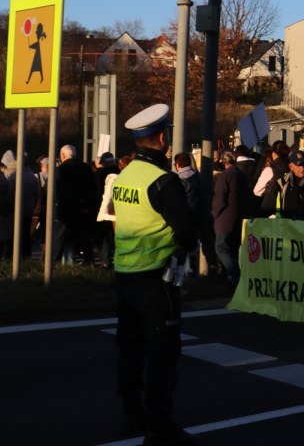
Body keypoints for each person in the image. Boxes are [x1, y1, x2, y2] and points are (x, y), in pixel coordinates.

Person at [110, 103, 199, 445]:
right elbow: (187, 232)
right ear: (163, 138)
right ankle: (159, 427)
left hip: (124, 276)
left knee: (130, 350)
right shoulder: (163, 181)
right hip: (155, 279)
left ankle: (131, 415)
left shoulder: (125, 175)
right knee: (162, 353)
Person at [211, 151, 248, 287]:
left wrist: (214, 213)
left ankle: (235, 275)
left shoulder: (225, 176)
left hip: (225, 219)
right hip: (239, 217)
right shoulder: (240, 175)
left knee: (221, 248)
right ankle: (231, 278)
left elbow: (220, 198)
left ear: (223, 162)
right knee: (232, 248)